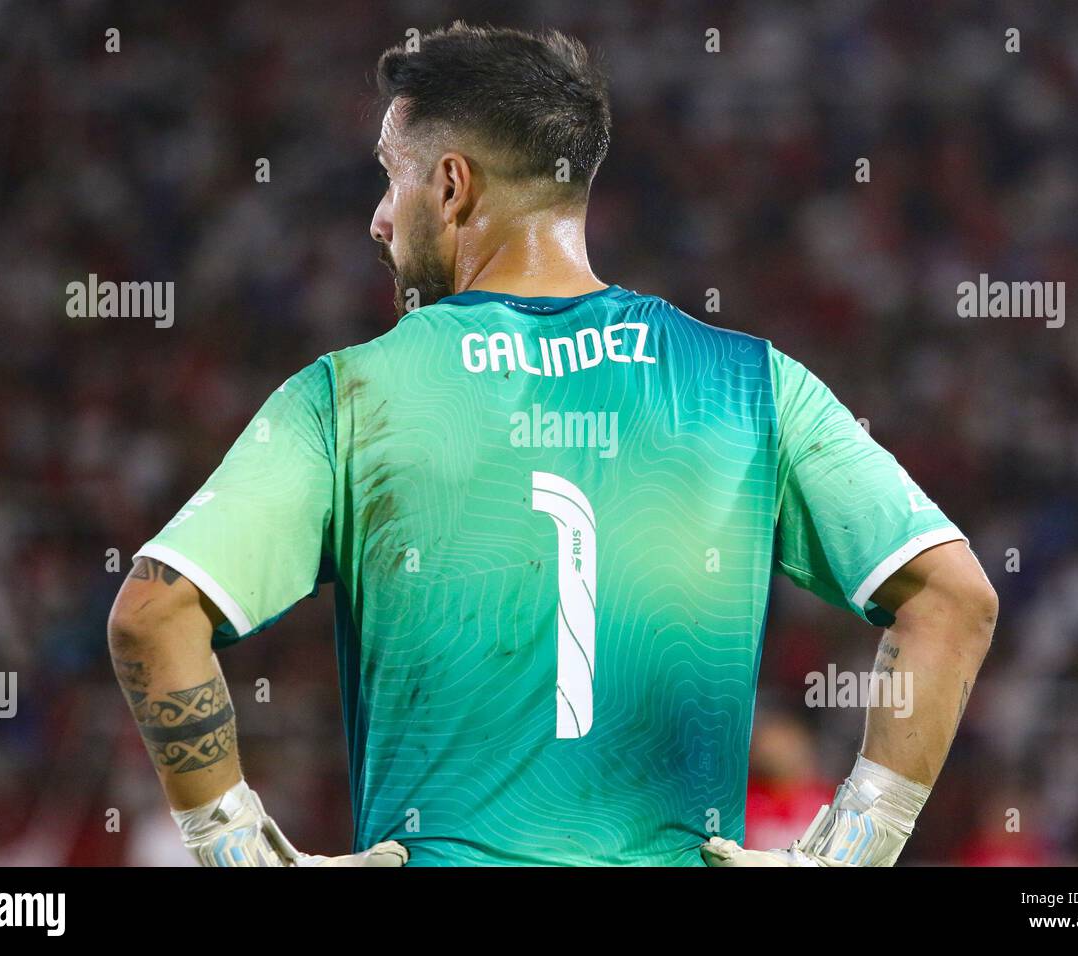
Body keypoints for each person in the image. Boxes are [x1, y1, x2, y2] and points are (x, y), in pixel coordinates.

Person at [107, 22, 997, 867]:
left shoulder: (350, 396)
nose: (379, 219)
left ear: (451, 186)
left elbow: (153, 617)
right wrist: (853, 846)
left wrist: (238, 846)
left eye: (391, 178)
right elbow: (954, 599)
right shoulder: (753, 385)